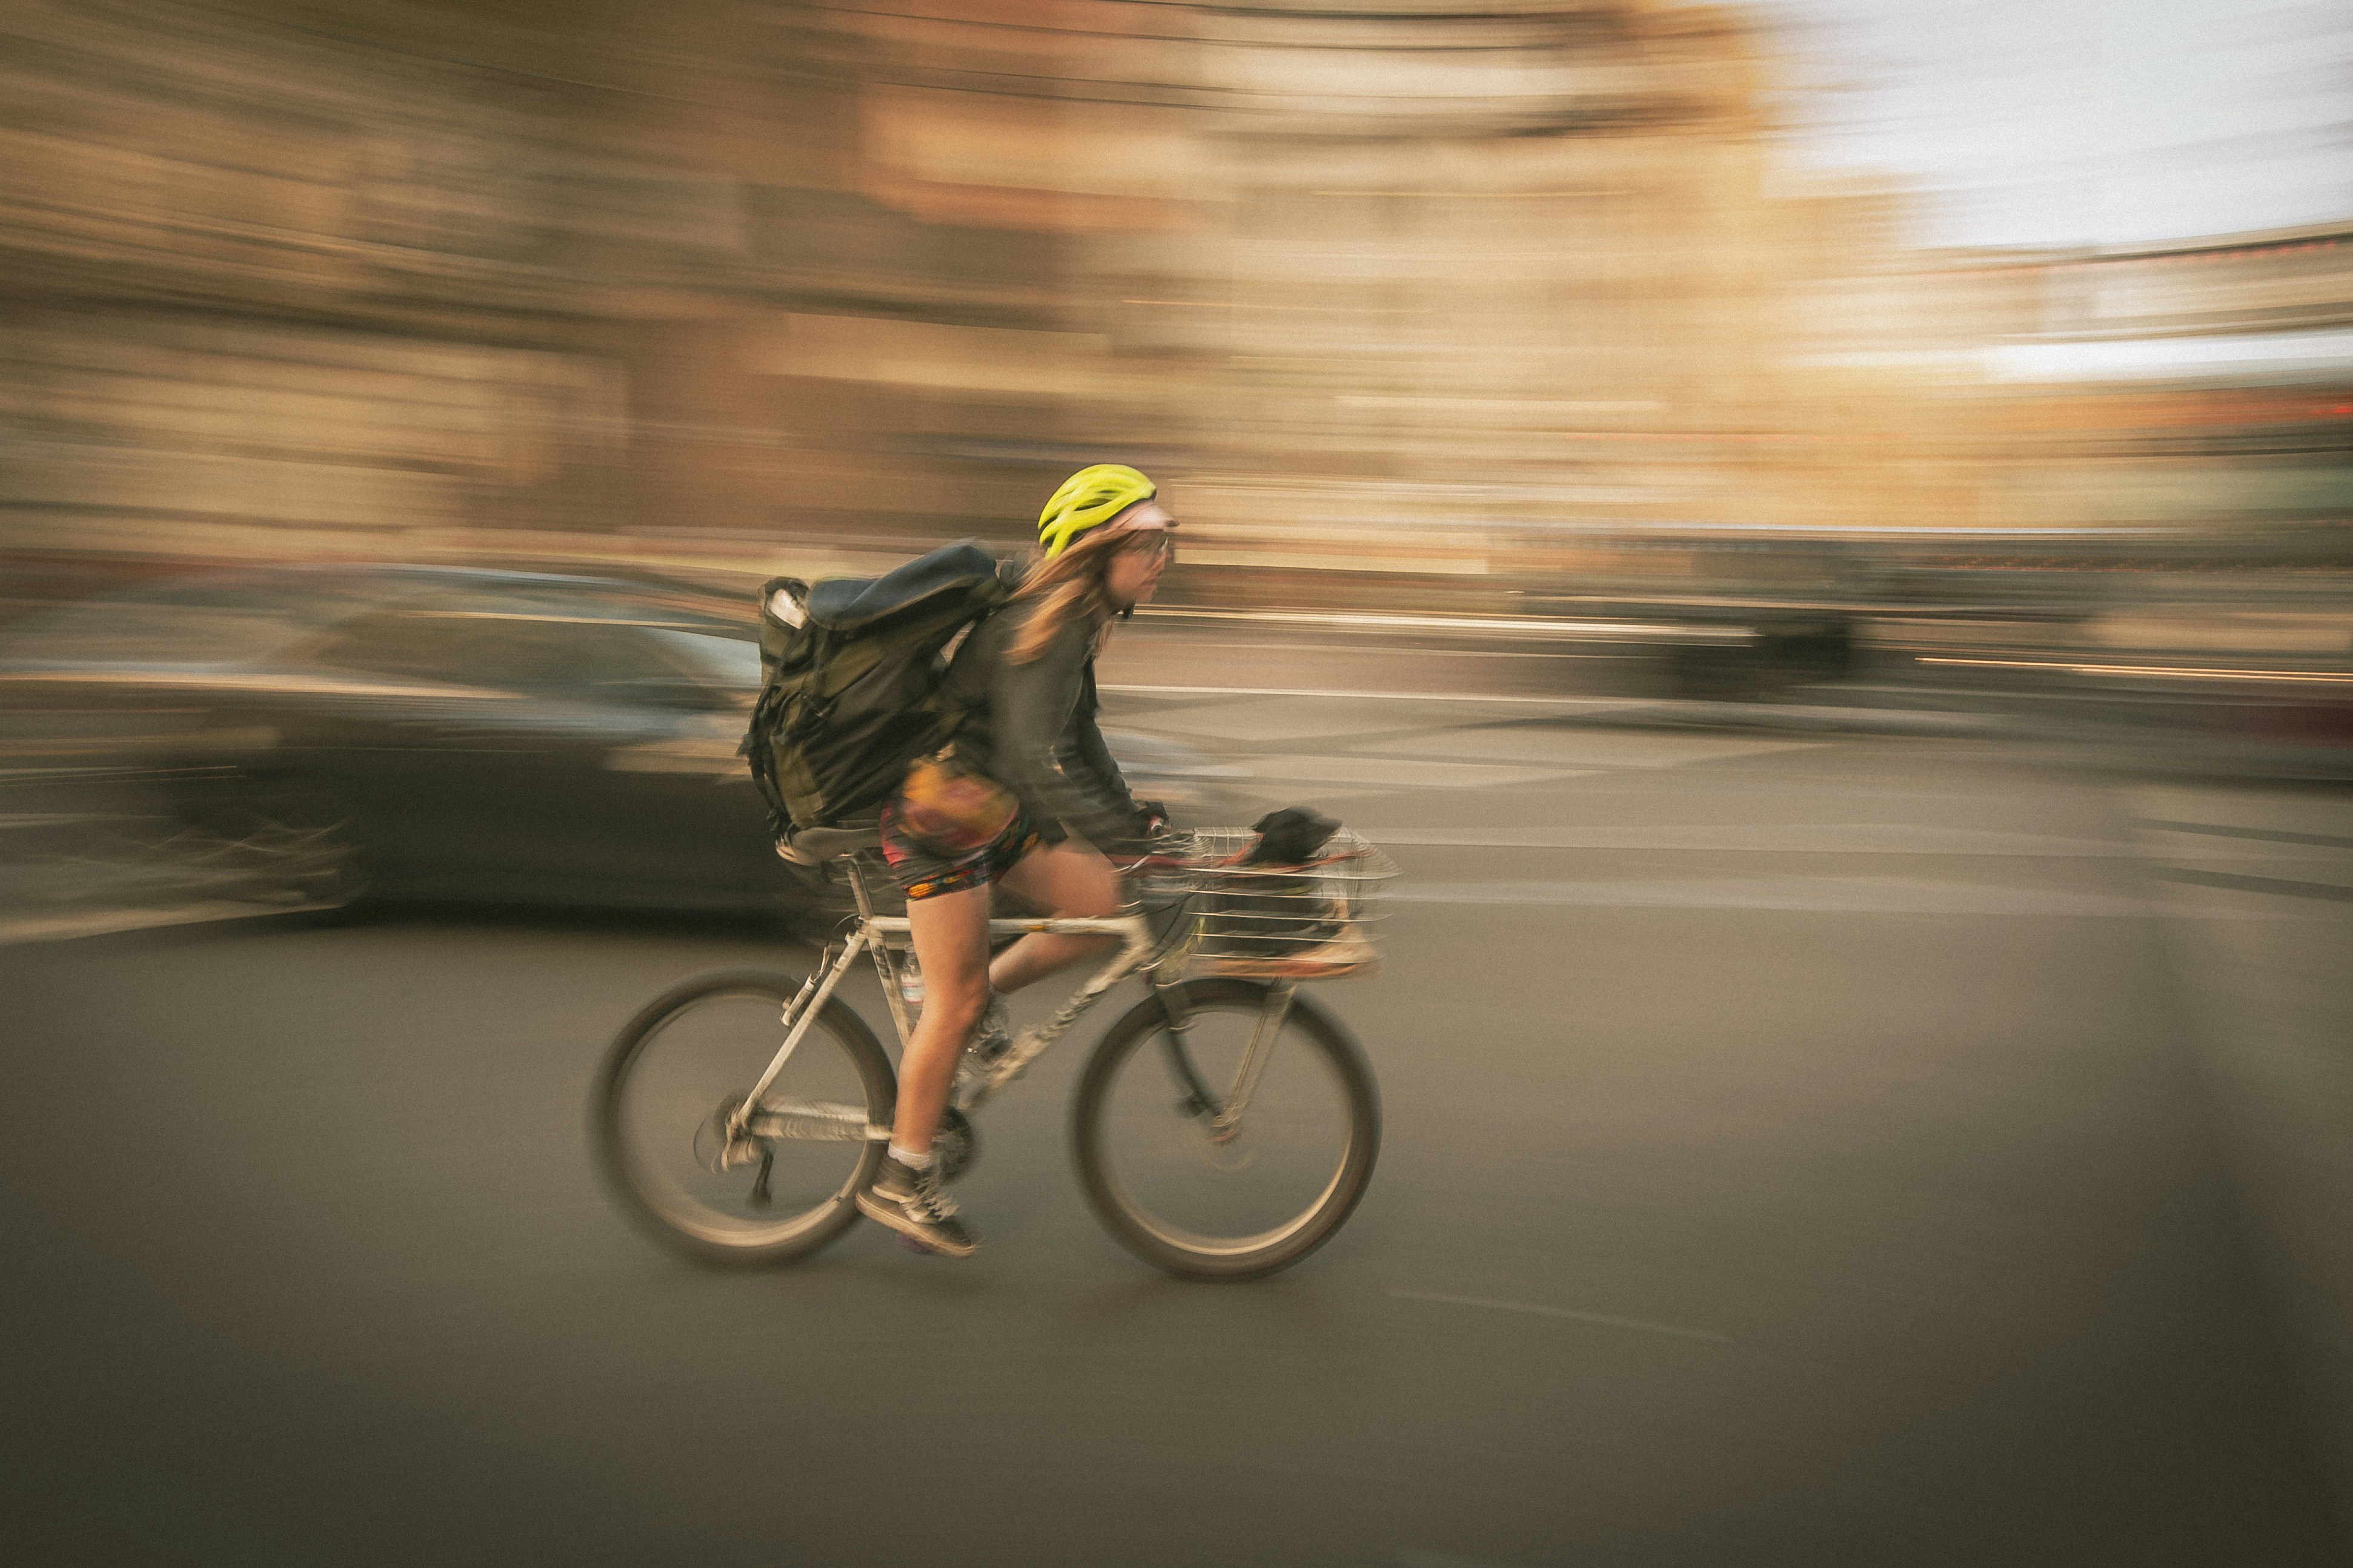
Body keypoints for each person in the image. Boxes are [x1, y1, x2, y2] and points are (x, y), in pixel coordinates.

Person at [855, 464, 1177, 1257]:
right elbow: (1038, 761)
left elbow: (1081, 740)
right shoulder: (1050, 622)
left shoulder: (1078, 618)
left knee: (1105, 909)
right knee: (956, 1007)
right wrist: (1118, 835)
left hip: (986, 807)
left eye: (1167, 540)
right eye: (1147, 541)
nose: (1163, 555)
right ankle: (901, 1178)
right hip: (942, 811)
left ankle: (946, 988)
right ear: (1093, 547)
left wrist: (1130, 823)